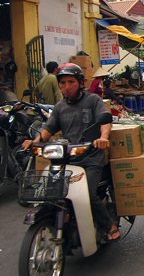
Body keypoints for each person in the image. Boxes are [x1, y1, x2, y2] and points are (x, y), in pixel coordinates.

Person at [22, 63, 120, 241]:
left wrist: (103, 137)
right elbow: (48, 128)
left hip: (91, 157)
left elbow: (106, 121)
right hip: (67, 158)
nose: (66, 86)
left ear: (80, 82)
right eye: (63, 83)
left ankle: (108, 225)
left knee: (87, 195)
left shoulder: (92, 100)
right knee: (51, 193)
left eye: (71, 82)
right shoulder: (59, 107)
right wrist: (35, 142)